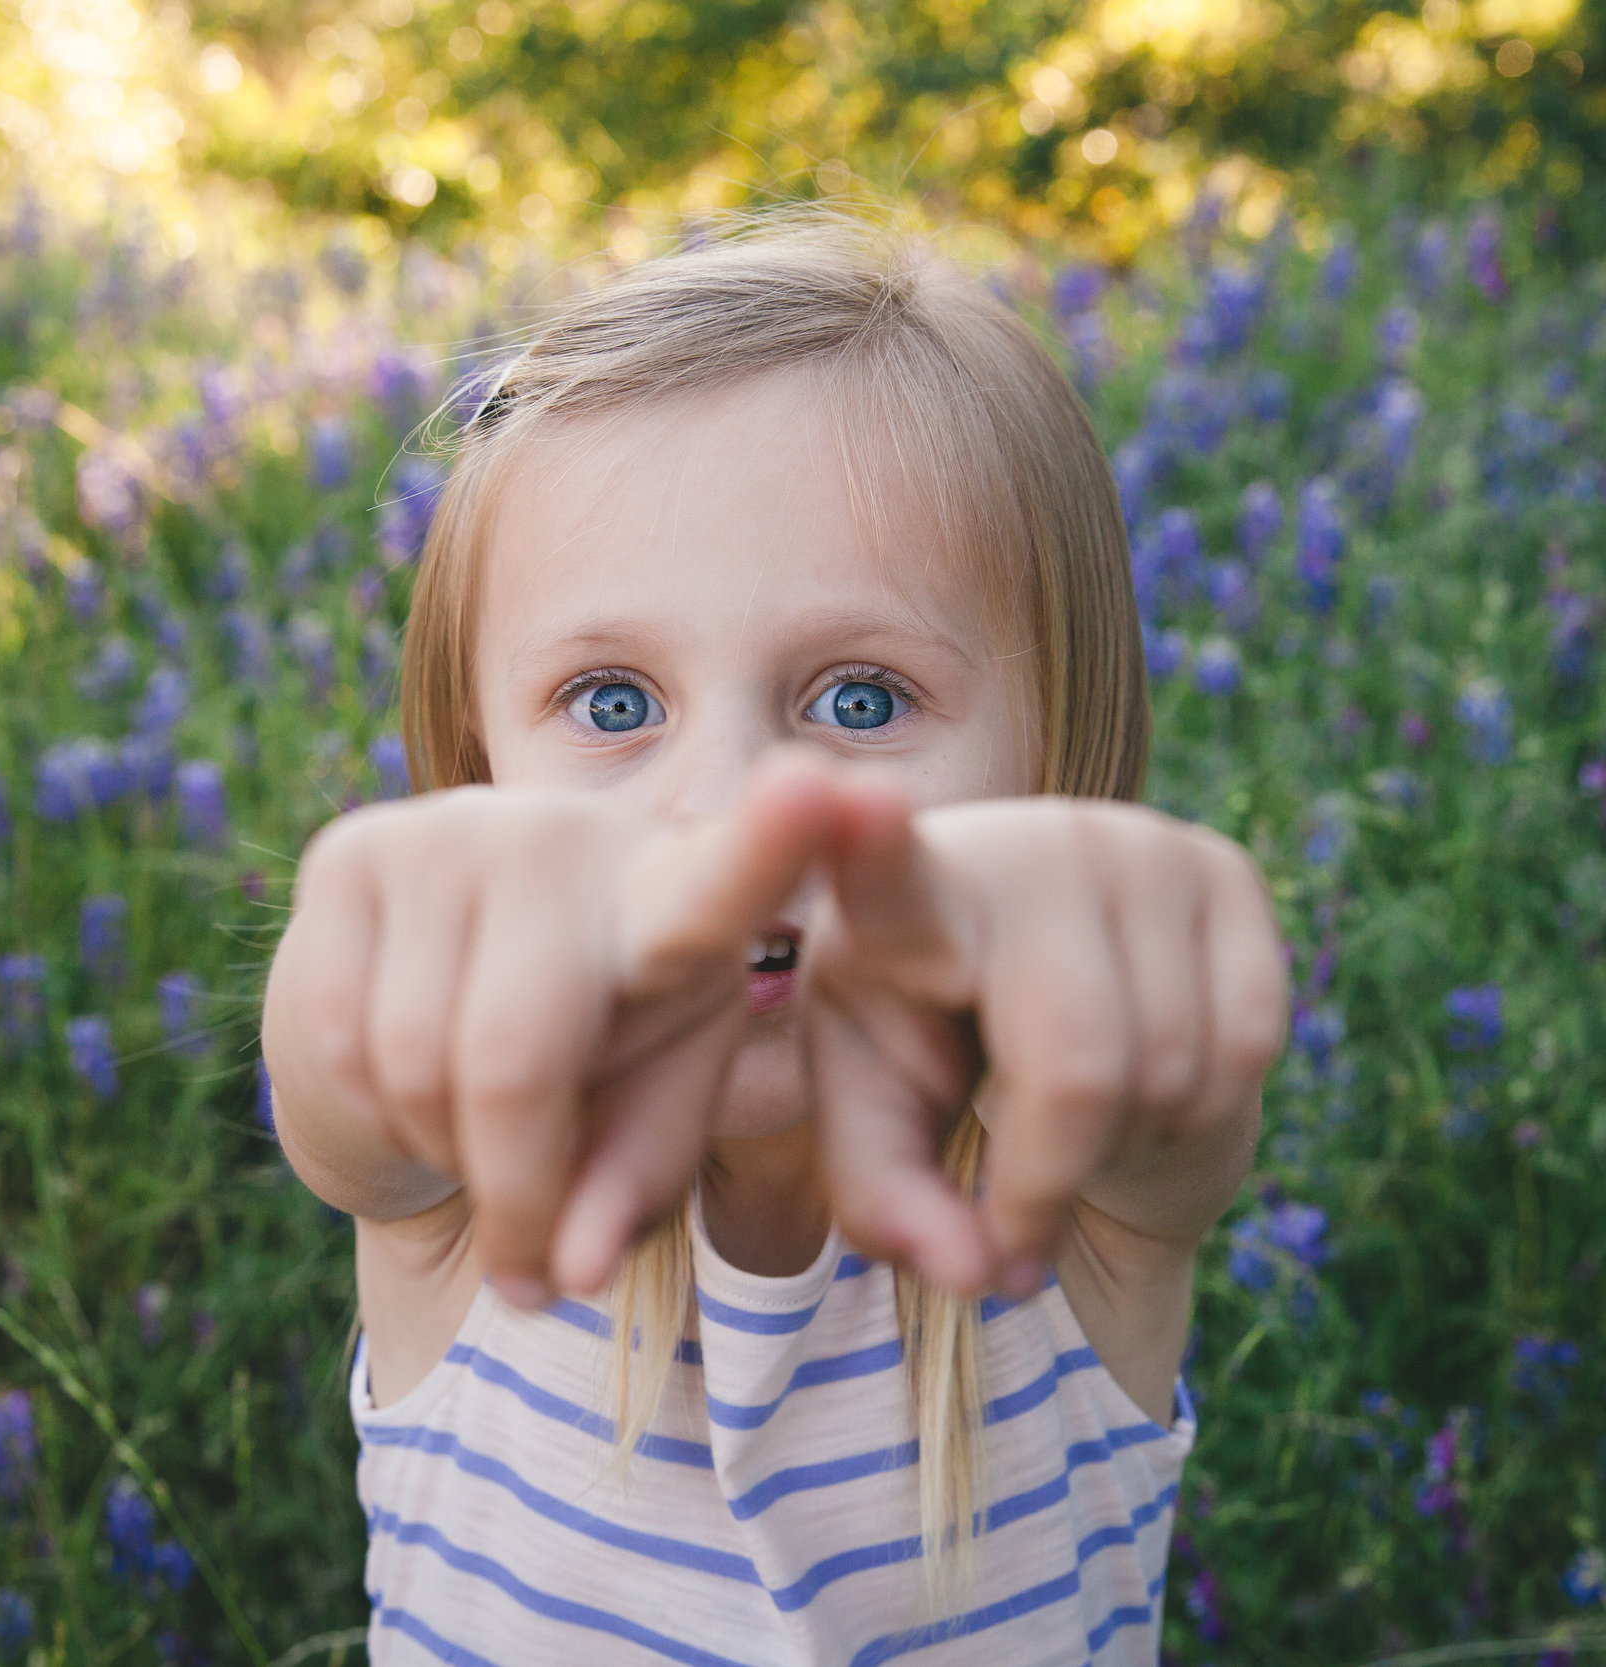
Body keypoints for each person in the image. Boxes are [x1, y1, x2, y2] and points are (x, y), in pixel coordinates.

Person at [260, 209, 1287, 1665]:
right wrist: (372, 939)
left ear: (1058, 784)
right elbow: (347, 1081)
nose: (725, 811)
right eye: (613, 705)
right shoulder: (467, 1203)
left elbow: (1168, 1109)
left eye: (858, 702)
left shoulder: (1081, 1224)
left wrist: (1117, 956)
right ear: (474, 778)